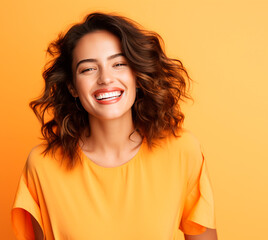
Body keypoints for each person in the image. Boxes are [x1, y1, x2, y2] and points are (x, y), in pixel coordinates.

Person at [11, 12, 217, 240]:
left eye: (119, 64)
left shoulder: (182, 151)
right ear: (72, 87)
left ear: (137, 76)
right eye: (88, 69)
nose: (105, 79)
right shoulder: (42, 165)